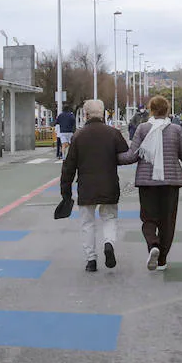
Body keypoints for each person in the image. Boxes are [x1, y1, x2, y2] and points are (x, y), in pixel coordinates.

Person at [60, 100, 137, 273]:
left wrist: (65, 191)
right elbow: (124, 154)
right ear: (103, 114)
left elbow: (69, 166)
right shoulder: (113, 133)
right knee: (109, 218)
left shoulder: (78, 136)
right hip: (109, 183)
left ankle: (91, 259)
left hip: (86, 186)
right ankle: (108, 243)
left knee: (87, 223)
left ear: (85, 115)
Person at [126, 95, 182, 271]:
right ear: (167, 110)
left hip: (147, 182)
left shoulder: (142, 128)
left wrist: (112, 157)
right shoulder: (176, 130)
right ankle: (162, 260)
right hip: (171, 182)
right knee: (167, 221)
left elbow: (132, 155)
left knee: (148, 218)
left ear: (151, 110)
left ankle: (153, 244)